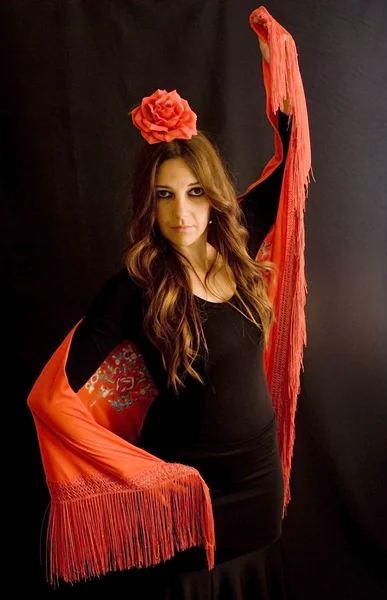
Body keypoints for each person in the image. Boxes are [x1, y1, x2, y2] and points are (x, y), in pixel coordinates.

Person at [27, 6, 311, 599]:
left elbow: (291, 159)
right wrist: (150, 478)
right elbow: (52, 396)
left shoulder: (238, 248)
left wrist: (274, 63)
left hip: (260, 486)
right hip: (191, 499)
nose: (181, 213)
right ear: (148, 205)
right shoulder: (133, 287)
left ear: (212, 198)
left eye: (193, 193)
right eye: (164, 196)